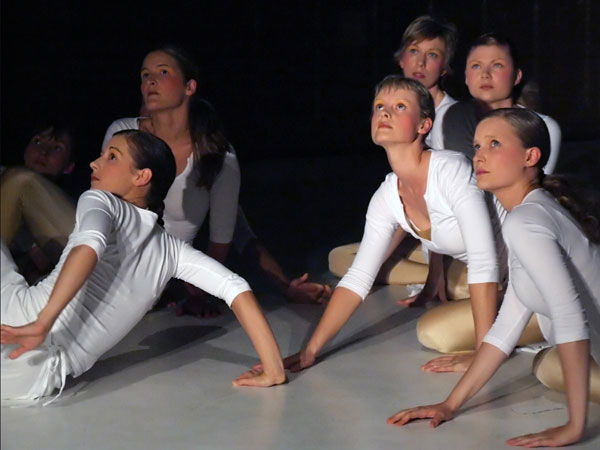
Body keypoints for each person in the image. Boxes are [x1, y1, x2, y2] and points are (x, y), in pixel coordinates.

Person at [1, 130, 286, 404]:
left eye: (112, 157)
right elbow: (235, 287)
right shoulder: (172, 252)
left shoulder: (100, 200)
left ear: (141, 176)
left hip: (15, 327)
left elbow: (90, 244)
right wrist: (273, 368)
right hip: (32, 381)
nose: (95, 163)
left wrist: (43, 322)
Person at [387, 108, 599, 448]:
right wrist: (449, 405)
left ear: (530, 157)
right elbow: (506, 327)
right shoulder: (527, 213)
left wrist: (574, 426)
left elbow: (570, 317)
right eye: (476, 146)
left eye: (495, 144)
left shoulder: (527, 220)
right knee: (548, 366)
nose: (479, 156)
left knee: (549, 368)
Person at [274, 75, 503, 374]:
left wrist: (483, 354)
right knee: (434, 324)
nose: (385, 113)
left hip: (528, 276)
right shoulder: (387, 195)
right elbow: (358, 278)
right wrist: (310, 351)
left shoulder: (451, 170)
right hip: (496, 278)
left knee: (435, 332)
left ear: (424, 125)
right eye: (379, 106)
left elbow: (485, 260)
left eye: (400, 107)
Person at [103, 46, 329, 313]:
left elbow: (234, 234)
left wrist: (201, 290)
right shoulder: (122, 134)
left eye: (162, 72)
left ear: (189, 86)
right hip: (110, 261)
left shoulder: (217, 156)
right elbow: (100, 206)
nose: (150, 81)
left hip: (159, 276)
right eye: (144, 75)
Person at [329, 15, 459, 297]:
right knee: (339, 259)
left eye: (432, 55)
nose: (420, 63)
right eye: (414, 51)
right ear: (401, 59)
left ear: (445, 66)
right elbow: (404, 198)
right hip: (421, 235)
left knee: (365, 264)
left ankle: (445, 278)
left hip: (453, 239)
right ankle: (431, 274)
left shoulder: (452, 118)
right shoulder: (395, 113)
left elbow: (445, 205)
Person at [442, 33, 561, 173]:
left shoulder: (542, 126)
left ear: (517, 76)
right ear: (466, 77)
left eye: (497, 65)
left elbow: (538, 182)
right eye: (476, 66)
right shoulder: (451, 119)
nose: (485, 74)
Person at [1, 123, 78, 283]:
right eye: (37, 141)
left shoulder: (66, 209)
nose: (43, 151)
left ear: (69, 167)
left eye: (57, 148)